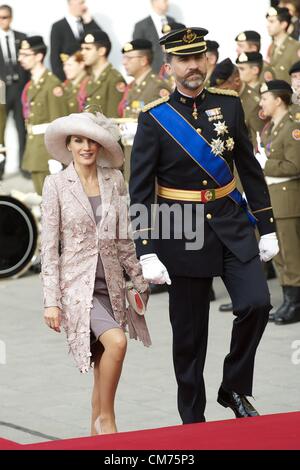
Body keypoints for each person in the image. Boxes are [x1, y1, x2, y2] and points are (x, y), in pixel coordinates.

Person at [130, 27, 279, 423]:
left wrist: (265, 226)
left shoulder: (228, 105)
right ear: (169, 67)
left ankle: (233, 387)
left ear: (207, 60)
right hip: (181, 230)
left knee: (257, 304)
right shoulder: (154, 119)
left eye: (198, 57)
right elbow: (140, 189)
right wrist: (145, 250)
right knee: (191, 338)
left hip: (230, 221)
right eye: (184, 60)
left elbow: (248, 167)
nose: (193, 66)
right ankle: (192, 419)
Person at [42, 111, 151, 435]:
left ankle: (96, 434)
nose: (86, 147)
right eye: (79, 140)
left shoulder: (114, 180)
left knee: (104, 358)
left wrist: (139, 279)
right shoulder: (56, 184)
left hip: (113, 283)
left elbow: (123, 236)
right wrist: (52, 301)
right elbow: (48, 247)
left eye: (91, 140)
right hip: (78, 287)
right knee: (117, 343)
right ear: (69, 145)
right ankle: (108, 418)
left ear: (100, 145)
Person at [260, 80, 300, 325]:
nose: (261, 102)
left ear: (278, 100)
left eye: (265, 97)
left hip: (287, 198)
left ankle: (295, 301)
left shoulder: (292, 128)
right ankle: (288, 298)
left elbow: (295, 165)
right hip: (274, 196)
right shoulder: (272, 128)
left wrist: (264, 163)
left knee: (290, 252)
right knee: (280, 254)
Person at [18, 36, 68, 195]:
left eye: (26, 55)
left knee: (53, 201)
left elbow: (59, 123)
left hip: (47, 152)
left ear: (39, 56)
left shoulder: (52, 85)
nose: (20, 59)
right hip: (35, 149)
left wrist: (57, 156)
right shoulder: (33, 84)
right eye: (20, 54)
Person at [119, 38, 171, 182]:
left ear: (143, 60)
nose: (124, 62)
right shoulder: (133, 87)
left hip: (150, 161)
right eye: (124, 58)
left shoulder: (157, 87)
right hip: (132, 155)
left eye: (129, 58)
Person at [0, 4, 29, 175]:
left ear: (11, 18)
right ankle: (0, 168)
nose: (2, 21)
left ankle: (24, 167)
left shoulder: (21, 37)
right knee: (0, 131)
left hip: (19, 89)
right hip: (1, 91)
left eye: (5, 17)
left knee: (22, 128)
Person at [50, 0, 102, 81]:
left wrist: (89, 22)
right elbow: (54, 57)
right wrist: (61, 81)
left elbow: (101, 41)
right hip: (69, 78)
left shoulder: (87, 23)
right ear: (71, 4)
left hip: (89, 76)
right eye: (81, 3)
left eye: (84, 3)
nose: (84, 6)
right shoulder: (58, 27)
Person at [80, 30, 126, 118]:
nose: (82, 52)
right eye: (82, 48)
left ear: (101, 51)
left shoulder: (114, 79)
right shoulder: (89, 78)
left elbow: (114, 120)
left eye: (88, 49)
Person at [236, 52, 269, 148]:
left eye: (242, 69)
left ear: (255, 70)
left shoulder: (265, 93)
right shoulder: (238, 92)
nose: (237, 72)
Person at [133, 0, 176, 73]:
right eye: (164, 1)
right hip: (153, 72)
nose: (168, 3)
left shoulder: (173, 22)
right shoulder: (141, 26)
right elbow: (138, 52)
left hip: (173, 69)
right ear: (155, 2)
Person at [266, 6, 300, 83]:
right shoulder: (271, 47)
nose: (267, 25)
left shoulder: (295, 47)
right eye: (267, 21)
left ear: (283, 24)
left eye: (272, 21)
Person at [60, 43, 89, 113]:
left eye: (69, 65)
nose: (65, 68)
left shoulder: (89, 84)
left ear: (81, 64)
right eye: (64, 65)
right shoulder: (64, 86)